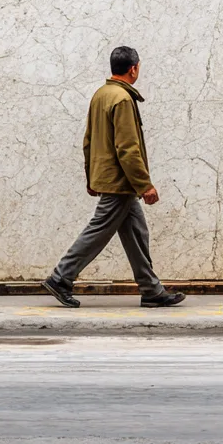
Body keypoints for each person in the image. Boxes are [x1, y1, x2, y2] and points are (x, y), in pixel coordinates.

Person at [41, 46, 186, 309]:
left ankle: (151, 290)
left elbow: (88, 141)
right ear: (134, 69)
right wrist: (145, 185)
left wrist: (91, 177)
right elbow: (127, 149)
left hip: (109, 178)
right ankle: (61, 277)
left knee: (136, 232)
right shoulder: (122, 99)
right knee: (98, 230)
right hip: (120, 181)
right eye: (139, 67)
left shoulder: (101, 94)